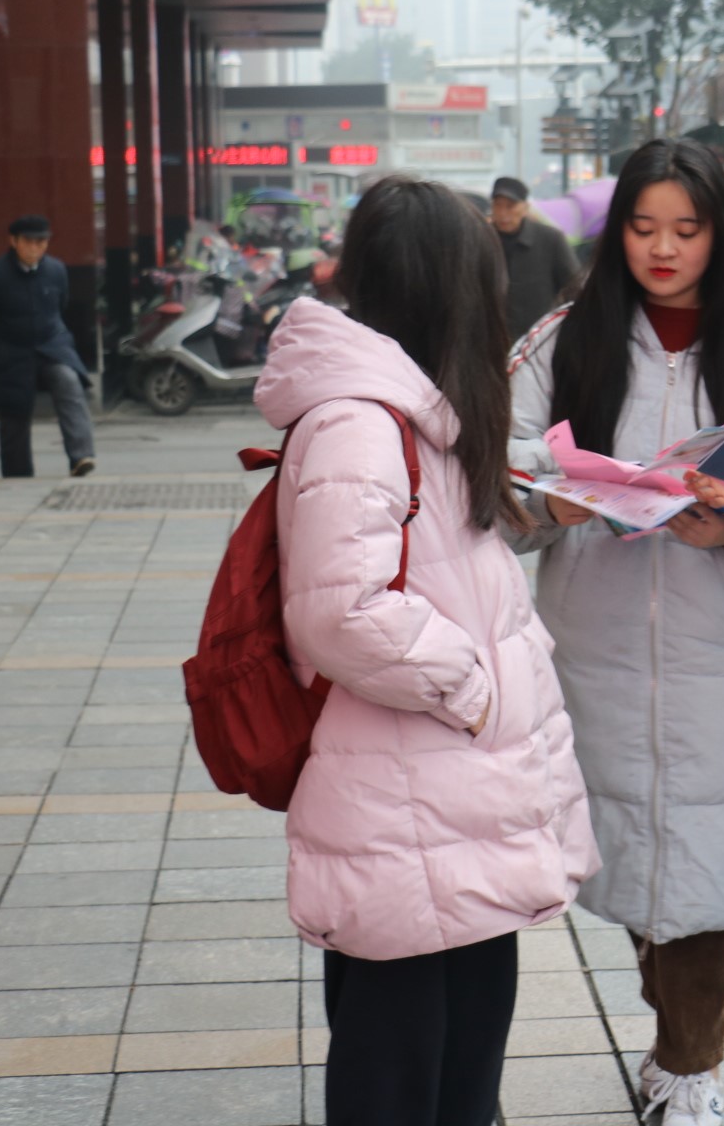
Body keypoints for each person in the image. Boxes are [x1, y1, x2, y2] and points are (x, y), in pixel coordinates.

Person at [254, 176, 598, 1126]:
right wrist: (473, 687)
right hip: (406, 800)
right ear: (447, 287)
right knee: (402, 1069)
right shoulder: (360, 422)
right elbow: (340, 610)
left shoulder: (417, 407)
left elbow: (440, 557)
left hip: (445, 802)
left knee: (460, 1056)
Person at [507, 139, 724, 1126]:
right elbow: (498, 465)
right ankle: (671, 1039)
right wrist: (546, 505)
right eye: (644, 229)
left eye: (686, 230)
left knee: (704, 859)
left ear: (719, 232)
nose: (663, 249)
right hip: (593, 639)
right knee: (631, 856)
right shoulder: (565, 337)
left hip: (719, 644)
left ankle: (691, 1070)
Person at [0, 214, 96, 478]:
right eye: (29, 242)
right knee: (14, 407)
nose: (35, 248)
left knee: (69, 381)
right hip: (9, 350)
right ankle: (17, 472)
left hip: (51, 345)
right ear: (13, 241)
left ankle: (80, 456)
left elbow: (60, 306)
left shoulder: (56, 270)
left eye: (42, 242)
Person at [489, 176, 580, 336]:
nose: (503, 213)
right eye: (498, 205)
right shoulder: (482, 239)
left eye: (510, 206)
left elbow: (574, 287)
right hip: (491, 338)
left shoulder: (550, 240)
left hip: (539, 338)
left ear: (525, 207)